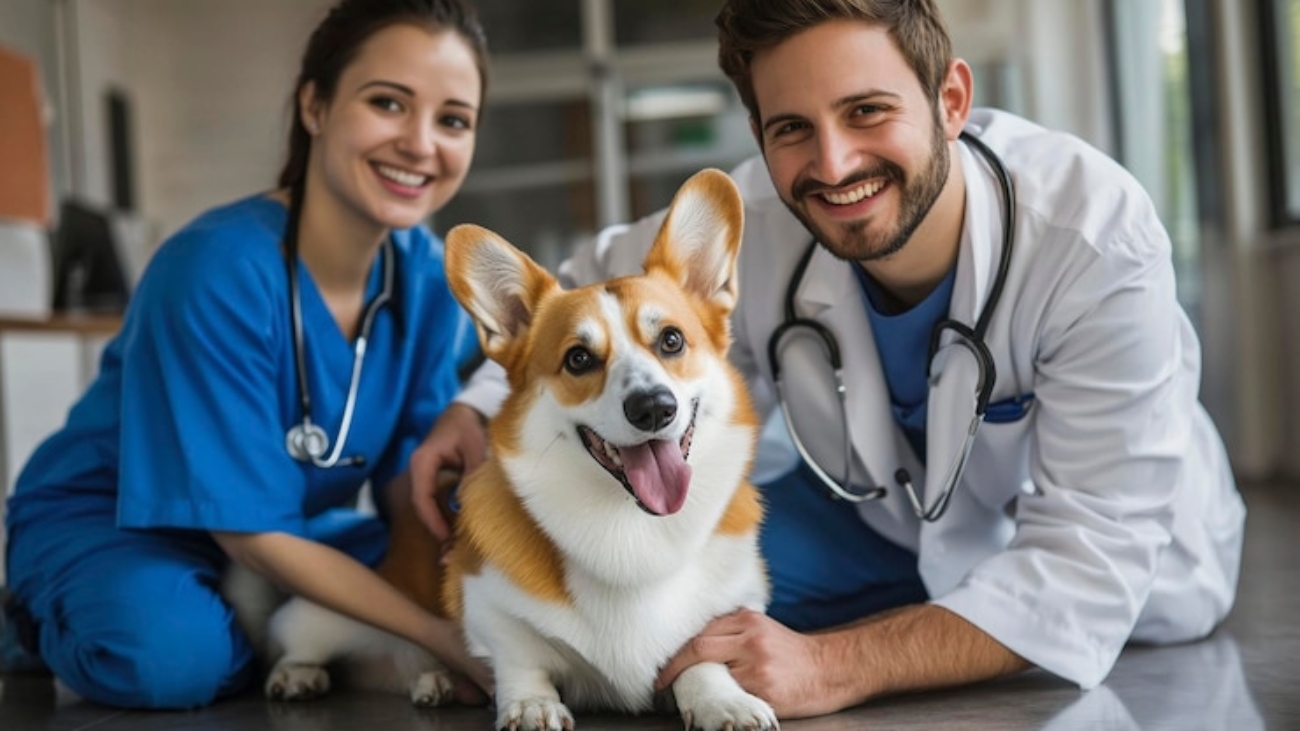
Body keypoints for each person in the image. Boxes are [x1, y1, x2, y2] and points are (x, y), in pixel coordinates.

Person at [416, 0, 1247, 720]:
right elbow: (574, 301)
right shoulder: (756, 213)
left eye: (867, 111)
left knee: (714, 638)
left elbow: (1088, 561)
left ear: (950, 98)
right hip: (880, 521)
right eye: (792, 129)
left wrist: (830, 665)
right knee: (665, 621)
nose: (834, 163)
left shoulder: (1095, 238)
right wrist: (474, 406)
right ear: (760, 135)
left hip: (1121, 566)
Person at [2, 0, 495, 709]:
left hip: (287, 527)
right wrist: (434, 635)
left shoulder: (427, 277)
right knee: (171, 659)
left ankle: (257, 622)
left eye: (453, 119)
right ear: (315, 104)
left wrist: (454, 580)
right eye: (388, 102)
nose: (421, 143)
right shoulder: (213, 268)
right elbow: (251, 532)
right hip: (122, 521)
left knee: (468, 591)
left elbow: (403, 486)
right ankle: (32, 615)